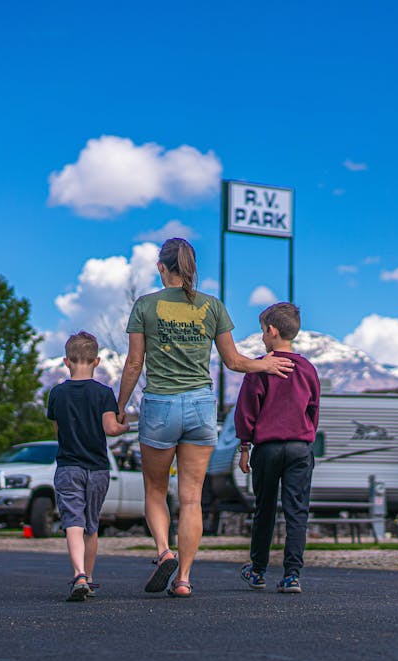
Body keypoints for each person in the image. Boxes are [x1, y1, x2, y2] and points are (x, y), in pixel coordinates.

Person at [117, 238, 295, 598]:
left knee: (154, 491)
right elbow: (233, 361)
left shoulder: (145, 306)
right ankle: (183, 578)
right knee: (193, 498)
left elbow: (135, 363)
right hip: (200, 406)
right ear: (191, 267)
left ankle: (164, 551)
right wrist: (265, 364)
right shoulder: (212, 306)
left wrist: (119, 407)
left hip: (160, 405)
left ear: (161, 268)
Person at [234, 302, 320, 593]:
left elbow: (247, 411)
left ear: (271, 331)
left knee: (265, 509)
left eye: (261, 331)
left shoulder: (259, 368)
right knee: (297, 512)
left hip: (268, 449)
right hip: (299, 448)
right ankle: (292, 575)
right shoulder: (308, 369)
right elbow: (313, 410)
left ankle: (257, 570)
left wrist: (245, 446)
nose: (261, 337)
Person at [47, 331, 129, 601]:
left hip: (68, 466)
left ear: (66, 361)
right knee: (91, 525)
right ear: (96, 361)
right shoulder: (104, 393)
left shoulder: (56, 394)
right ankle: (90, 578)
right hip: (98, 468)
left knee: (73, 521)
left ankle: (78, 574)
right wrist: (123, 426)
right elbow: (110, 428)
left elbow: (58, 429)